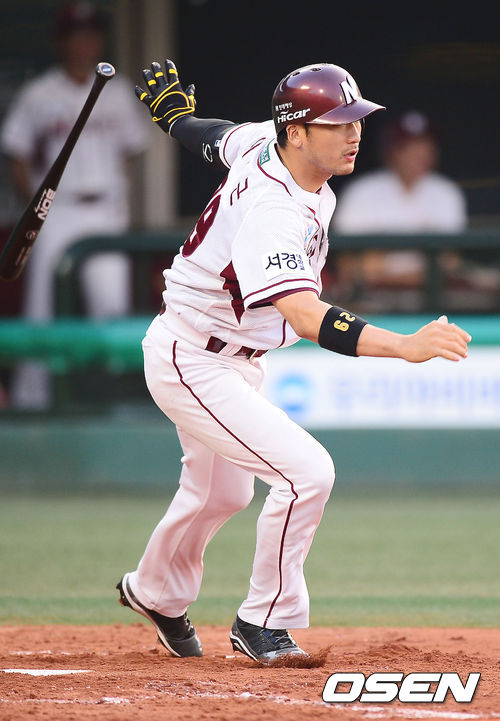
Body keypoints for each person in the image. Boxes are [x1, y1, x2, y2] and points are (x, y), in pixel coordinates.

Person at [116, 60, 471, 663]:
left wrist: (175, 119)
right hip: (194, 358)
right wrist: (404, 346)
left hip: (228, 355)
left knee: (221, 495)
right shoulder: (274, 210)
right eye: (338, 123)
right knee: (307, 473)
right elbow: (306, 318)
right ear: (298, 132)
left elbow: (215, 137)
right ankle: (263, 621)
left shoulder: (268, 140)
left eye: (356, 120)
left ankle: (154, 592)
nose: (354, 133)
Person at [0, 2, 149, 407]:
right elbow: (15, 153)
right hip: (57, 209)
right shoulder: (39, 93)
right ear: (60, 42)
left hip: (104, 207)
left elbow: (131, 148)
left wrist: (107, 183)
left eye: (91, 35)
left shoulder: (117, 92)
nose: (86, 43)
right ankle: (31, 398)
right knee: (41, 308)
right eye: (77, 36)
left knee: (111, 307)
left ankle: (115, 396)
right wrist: (35, 204)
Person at [330, 111, 467, 309]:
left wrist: (383, 259)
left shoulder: (446, 192)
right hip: (371, 301)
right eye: (409, 146)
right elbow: (349, 265)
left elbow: (449, 263)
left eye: (425, 145)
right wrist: (418, 265)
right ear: (391, 150)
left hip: (431, 300)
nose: (420, 153)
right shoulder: (362, 191)